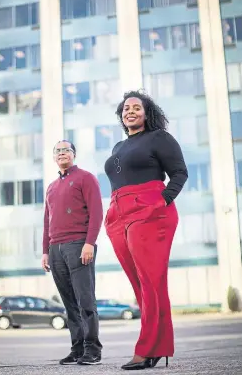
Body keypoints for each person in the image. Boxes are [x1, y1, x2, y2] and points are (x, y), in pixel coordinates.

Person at [104, 90, 188, 371]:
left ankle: (147, 349)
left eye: (136, 107)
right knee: (139, 284)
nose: (130, 111)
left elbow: (179, 173)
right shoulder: (118, 147)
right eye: (126, 108)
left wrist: (161, 201)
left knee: (151, 282)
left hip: (149, 211)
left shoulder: (159, 138)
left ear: (146, 112)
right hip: (118, 214)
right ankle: (158, 345)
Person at [41, 140, 103, 366]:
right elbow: (47, 221)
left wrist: (90, 243)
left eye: (66, 150)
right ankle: (77, 349)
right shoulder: (51, 187)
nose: (62, 153)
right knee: (69, 304)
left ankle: (92, 350)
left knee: (85, 300)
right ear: (54, 158)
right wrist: (45, 251)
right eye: (57, 151)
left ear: (74, 154)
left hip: (78, 244)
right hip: (56, 249)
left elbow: (97, 212)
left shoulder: (86, 178)